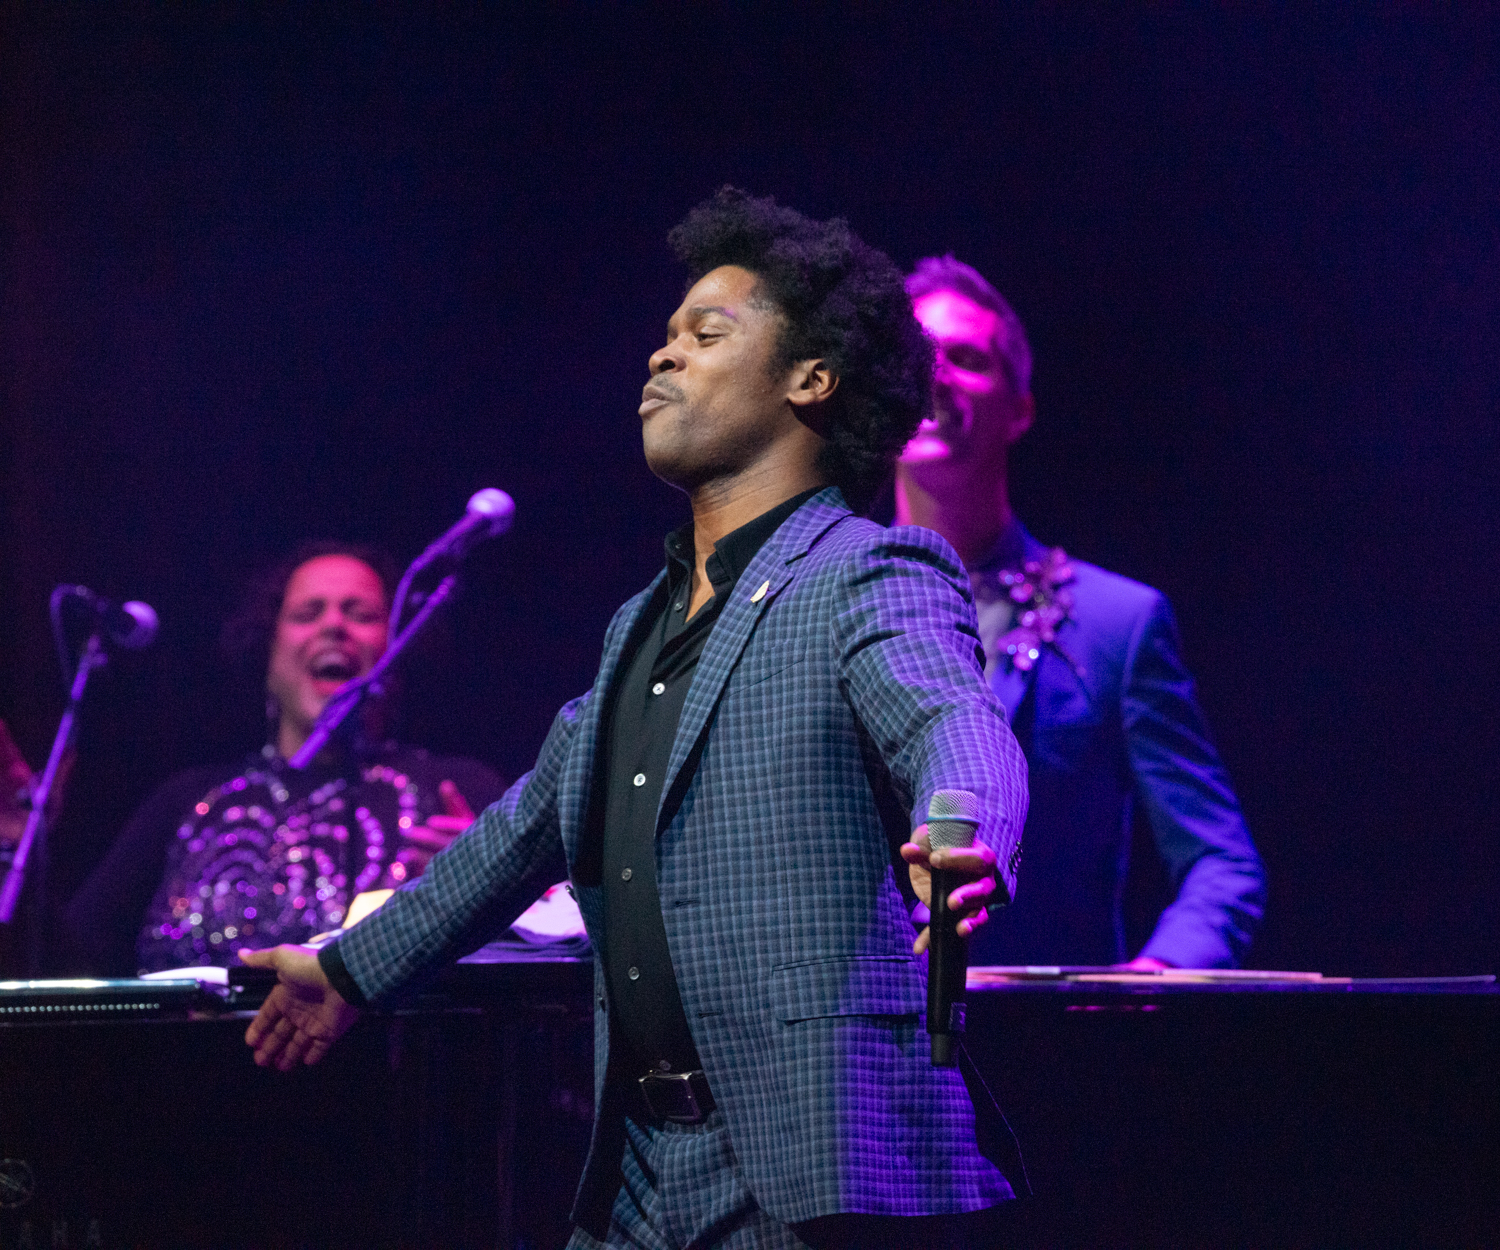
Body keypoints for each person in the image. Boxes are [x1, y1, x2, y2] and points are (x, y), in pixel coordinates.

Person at [242, 189, 1029, 1250]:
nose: (663, 357)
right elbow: (522, 830)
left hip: (815, 1158)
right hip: (641, 1172)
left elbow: (951, 718)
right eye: (665, 337)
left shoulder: (868, 568)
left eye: (707, 334)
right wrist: (346, 970)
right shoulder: (638, 627)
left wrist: (960, 831)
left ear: (811, 377)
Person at [895, 255, 1267, 970]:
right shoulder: (815, 604)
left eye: (967, 358)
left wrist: (1150, 985)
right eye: (916, 356)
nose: (936, 376)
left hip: (1044, 1032)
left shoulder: (1115, 624)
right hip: (854, 1034)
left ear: (1020, 409)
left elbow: (1222, 864)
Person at [64, 543, 506, 974]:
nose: (333, 626)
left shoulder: (458, 789)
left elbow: (540, 945)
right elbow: (75, 954)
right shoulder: (185, 800)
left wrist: (492, 888)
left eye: (361, 614)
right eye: (307, 614)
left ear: (396, 647)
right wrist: (26, 845)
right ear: (268, 654)